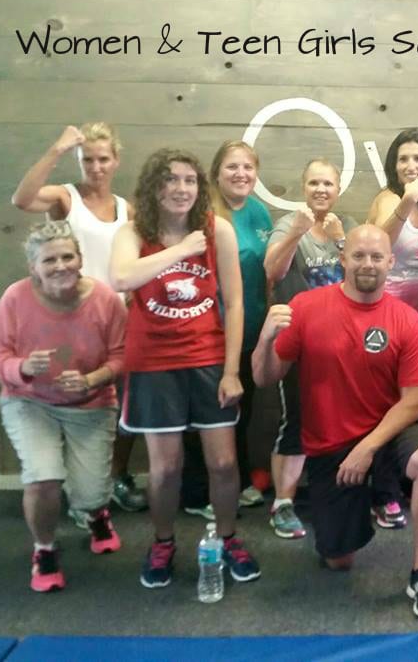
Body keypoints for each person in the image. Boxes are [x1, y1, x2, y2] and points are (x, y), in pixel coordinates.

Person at [252, 225, 418, 619]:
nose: (367, 264)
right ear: (343, 259)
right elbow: (264, 377)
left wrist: (367, 447)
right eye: (359, 256)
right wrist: (265, 339)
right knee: (338, 560)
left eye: (377, 257)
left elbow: (414, 402)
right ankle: (353, 519)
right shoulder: (308, 307)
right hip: (329, 446)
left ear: (390, 263)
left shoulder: (406, 320)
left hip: (387, 433)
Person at [110, 148, 260, 588]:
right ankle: (162, 541)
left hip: (208, 359)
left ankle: (229, 537)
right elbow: (121, 278)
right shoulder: (133, 232)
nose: (181, 189)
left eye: (190, 181)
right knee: (165, 468)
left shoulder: (219, 232)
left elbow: (234, 304)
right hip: (153, 363)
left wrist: (232, 370)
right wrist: (180, 252)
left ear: (200, 188)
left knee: (224, 463)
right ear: (154, 187)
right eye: (171, 180)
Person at [11, 123, 147, 516]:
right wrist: (57, 149)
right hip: (72, 319)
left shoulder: (127, 209)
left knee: (125, 404)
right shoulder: (65, 198)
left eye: (104, 159)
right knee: (75, 402)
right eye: (88, 159)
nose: (96, 167)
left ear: (116, 161)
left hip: (118, 319)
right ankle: (77, 486)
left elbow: (134, 263)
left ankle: (115, 477)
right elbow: (22, 199)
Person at [0, 220, 126, 592]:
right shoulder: (16, 298)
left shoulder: (106, 300)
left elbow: (123, 356)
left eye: (68, 256)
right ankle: (44, 548)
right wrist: (22, 368)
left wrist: (92, 379)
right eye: (49, 260)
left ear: (80, 259)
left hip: (91, 403)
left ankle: (97, 514)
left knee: (90, 493)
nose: (60, 265)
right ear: (34, 267)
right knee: (43, 476)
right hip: (29, 402)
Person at [262, 159, 357, 538]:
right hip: (300, 339)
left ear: (337, 189)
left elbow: (363, 273)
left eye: (328, 183)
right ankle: (282, 503)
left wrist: (339, 240)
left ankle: (334, 493)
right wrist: (296, 232)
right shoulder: (289, 224)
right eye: (314, 182)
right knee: (298, 418)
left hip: (343, 341)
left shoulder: (345, 224)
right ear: (304, 187)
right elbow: (272, 271)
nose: (321, 189)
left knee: (342, 417)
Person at [179, 141, 274, 518]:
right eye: (232, 167)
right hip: (208, 333)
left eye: (248, 167)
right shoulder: (202, 215)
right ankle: (197, 493)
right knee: (207, 413)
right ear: (216, 173)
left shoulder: (260, 212)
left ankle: (237, 481)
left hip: (249, 329)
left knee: (241, 410)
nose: (241, 174)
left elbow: (266, 273)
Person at [366, 129, 418, 345]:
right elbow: (380, 245)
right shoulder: (387, 199)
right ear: (394, 166)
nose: (411, 166)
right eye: (403, 159)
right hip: (388, 304)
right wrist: (408, 199)